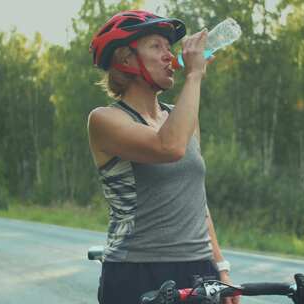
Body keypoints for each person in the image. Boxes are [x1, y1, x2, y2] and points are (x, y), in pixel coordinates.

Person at [87, 9, 239, 304]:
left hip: (199, 268)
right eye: (156, 47)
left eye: (169, 48)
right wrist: (194, 74)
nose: (169, 56)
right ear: (125, 59)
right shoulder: (104, 120)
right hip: (137, 271)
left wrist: (220, 267)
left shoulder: (180, 118)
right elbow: (168, 147)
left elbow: (197, 200)